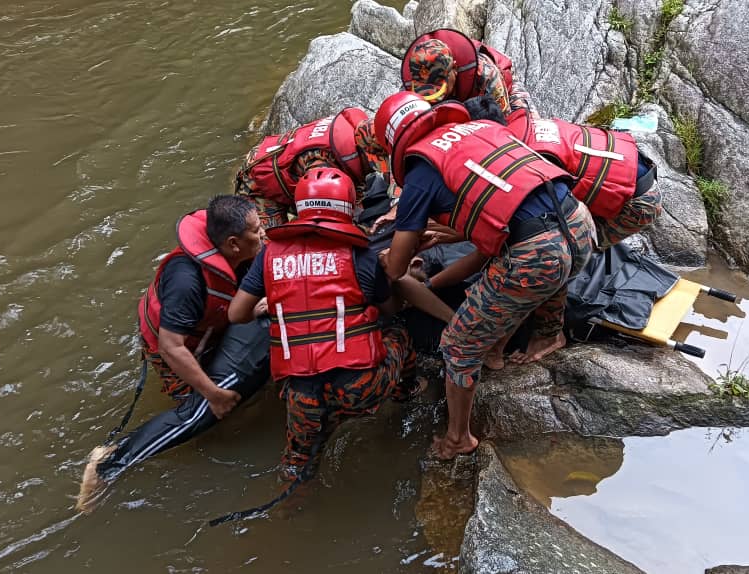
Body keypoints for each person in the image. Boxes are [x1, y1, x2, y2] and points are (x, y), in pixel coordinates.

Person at [372, 92, 593, 460]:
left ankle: (458, 438)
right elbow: (501, 205)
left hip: (535, 253)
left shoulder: (420, 172)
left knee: (457, 347)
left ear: (395, 142)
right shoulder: (479, 129)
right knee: (534, 275)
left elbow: (395, 269)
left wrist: (401, 253)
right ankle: (511, 345)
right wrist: (433, 236)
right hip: (579, 223)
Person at [227, 168, 444, 481]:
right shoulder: (362, 255)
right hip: (361, 387)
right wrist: (391, 272)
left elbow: (236, 314)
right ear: (348, 208)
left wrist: (272, 305)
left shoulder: (268, 255)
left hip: (300, 393)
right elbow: (390, 307)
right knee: (398, 333)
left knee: (299, 463)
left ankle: (290, 507)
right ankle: (406, 392)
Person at [76, 195, 269, 511]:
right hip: (175, 350)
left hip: (204, 331)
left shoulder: (235, 254)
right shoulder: (187, 281)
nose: (263, 234)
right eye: (258, 230)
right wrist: (213, 393)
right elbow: (171, 347)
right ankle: (109, 463)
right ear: (234, 244)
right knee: (202, 412)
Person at [506, 108, 661, 252]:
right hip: (634, 164)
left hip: (639, 202)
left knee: (575, 248)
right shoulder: (528, 123)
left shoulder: (533, 156)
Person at [235, 108, 390, 230]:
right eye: (372, 163)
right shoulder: (323, 165)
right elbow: (319, 218)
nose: (372, 168)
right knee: (270, 248)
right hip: (259, 182)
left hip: (280, 158)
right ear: (362, 152)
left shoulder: (352, 133)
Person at [400, 29, 536, 118]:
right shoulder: (416, 76)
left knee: (524, 123)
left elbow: (503, 118)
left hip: (504, 89)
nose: (436, 99)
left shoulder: (486, 74)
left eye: (439, 88)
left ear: (454, 68)